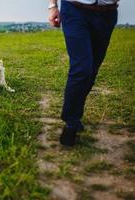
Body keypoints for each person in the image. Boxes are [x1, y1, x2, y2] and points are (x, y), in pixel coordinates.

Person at [48, 0, 118, 146]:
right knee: (82, 69)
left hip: (107, 13)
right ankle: (71, 124)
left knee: (92, 70)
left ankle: (74, 115)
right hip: (75, 10)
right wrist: (53, 6)